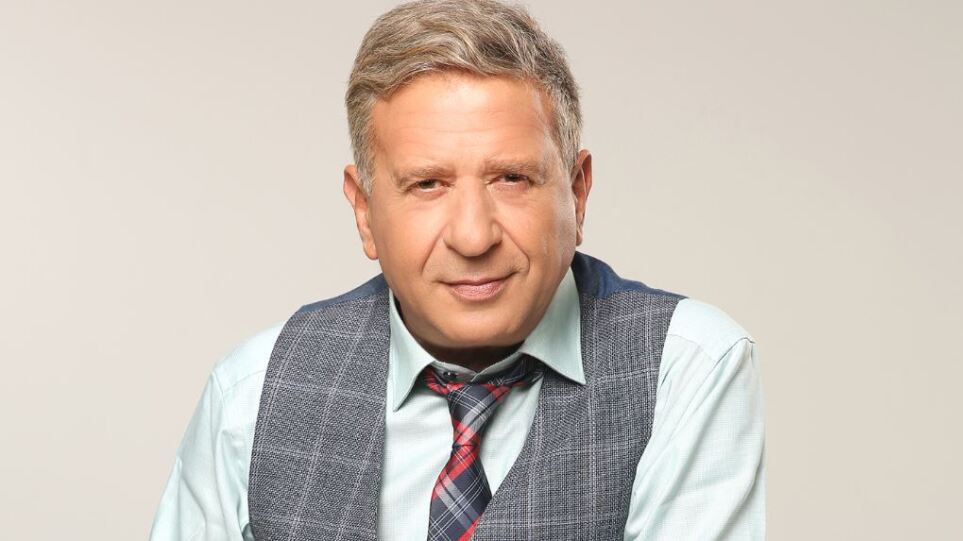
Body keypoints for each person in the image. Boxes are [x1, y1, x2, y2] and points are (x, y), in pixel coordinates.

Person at [149, 0, 765, 539]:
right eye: (427, 184)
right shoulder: (252, 395)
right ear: (364, 212)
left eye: (512, 178)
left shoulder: (683, 369)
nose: (473, 236)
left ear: (577, 194)